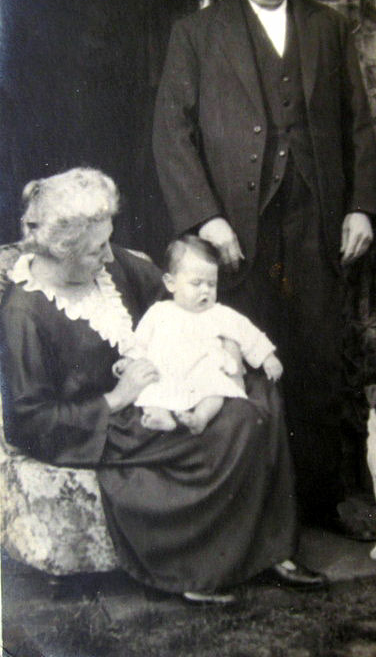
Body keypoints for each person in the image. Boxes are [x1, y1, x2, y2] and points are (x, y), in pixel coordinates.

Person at [0, 167, 326, 605]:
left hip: (163, 386)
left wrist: (225, 343)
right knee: (238, 422)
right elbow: (29, 421)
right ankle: (204, 569)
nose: (110, 257)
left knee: (259, 388)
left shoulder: (112, 269)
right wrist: (117, 397)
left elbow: (181, 304)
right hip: (101, 424)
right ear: (64, 250)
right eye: (98, 249)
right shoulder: (27, 312)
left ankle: (274, 549)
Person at [153, 0, 376, 528]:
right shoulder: (197, 34)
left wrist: (361, 206)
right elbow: (171, 135)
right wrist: (208, 218)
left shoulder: (328, 28)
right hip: (238, 229)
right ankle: (250, 511)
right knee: (241, 362)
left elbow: (359, 127)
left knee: (314, 358)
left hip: (316, 221)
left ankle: (318, 503)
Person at [126, 234, 283, 436]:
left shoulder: (218, 313)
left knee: (216, 387)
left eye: (211, 284)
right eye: (196, 283)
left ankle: (200, 417)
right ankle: (159, 416)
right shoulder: (159, 312)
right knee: (150, 388)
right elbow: (139, 341)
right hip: (165, 371)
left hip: (202, 373)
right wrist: (129, 360)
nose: (205, 291)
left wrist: (267, 357)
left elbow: (248, 333)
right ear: (171, 283)